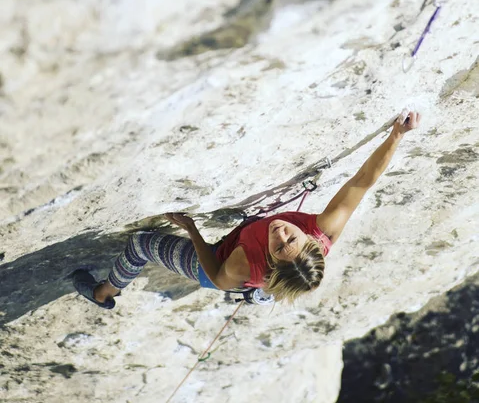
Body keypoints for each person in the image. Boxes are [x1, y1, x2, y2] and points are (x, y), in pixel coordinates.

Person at [72, 110, 421, 308]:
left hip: (217, 267)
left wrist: (191, 230)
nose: (280, 232)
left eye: (279, 246)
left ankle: (106, 292)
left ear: (271, 262)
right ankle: (261, 295)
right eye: (291, 237)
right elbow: (361, 182)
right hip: (264, 276)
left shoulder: (244, 263)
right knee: (266, 283)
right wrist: (396, 137)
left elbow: (217, 276)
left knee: (139, 245)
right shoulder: (325, 229)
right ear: (312, 241)